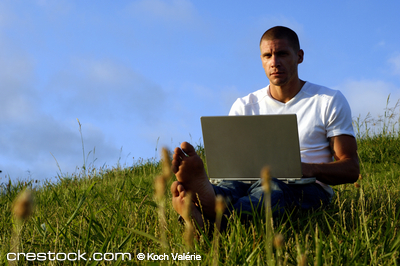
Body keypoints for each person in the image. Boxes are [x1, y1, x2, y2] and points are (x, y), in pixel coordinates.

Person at [170, 26, 359, 229]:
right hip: (246, 182)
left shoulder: (328, 100)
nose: (274, 63)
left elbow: (350, 168)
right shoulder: (244, 105)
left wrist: (306, 169)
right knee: (231, 186)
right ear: (261, 60)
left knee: (272, 190)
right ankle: (208, 196)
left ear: (299, 56)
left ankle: (207, 215)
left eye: (282, 54)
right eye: (267, 56)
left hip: (306, 187)